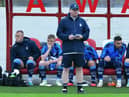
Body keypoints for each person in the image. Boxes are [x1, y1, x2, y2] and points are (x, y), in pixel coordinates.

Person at [57, 3, 90, 93]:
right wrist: (68, 37)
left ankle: (80, 87)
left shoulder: (82, 21)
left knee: (79, 68)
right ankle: (64, 87)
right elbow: (59, 33)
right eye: (73, 10)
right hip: (68, 49)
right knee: (66, 68)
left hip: (79, 48)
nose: (75, 11)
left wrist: (82, 36)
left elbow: (87, 33)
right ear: (70, 10)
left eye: (76, 10)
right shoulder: (64, 21)